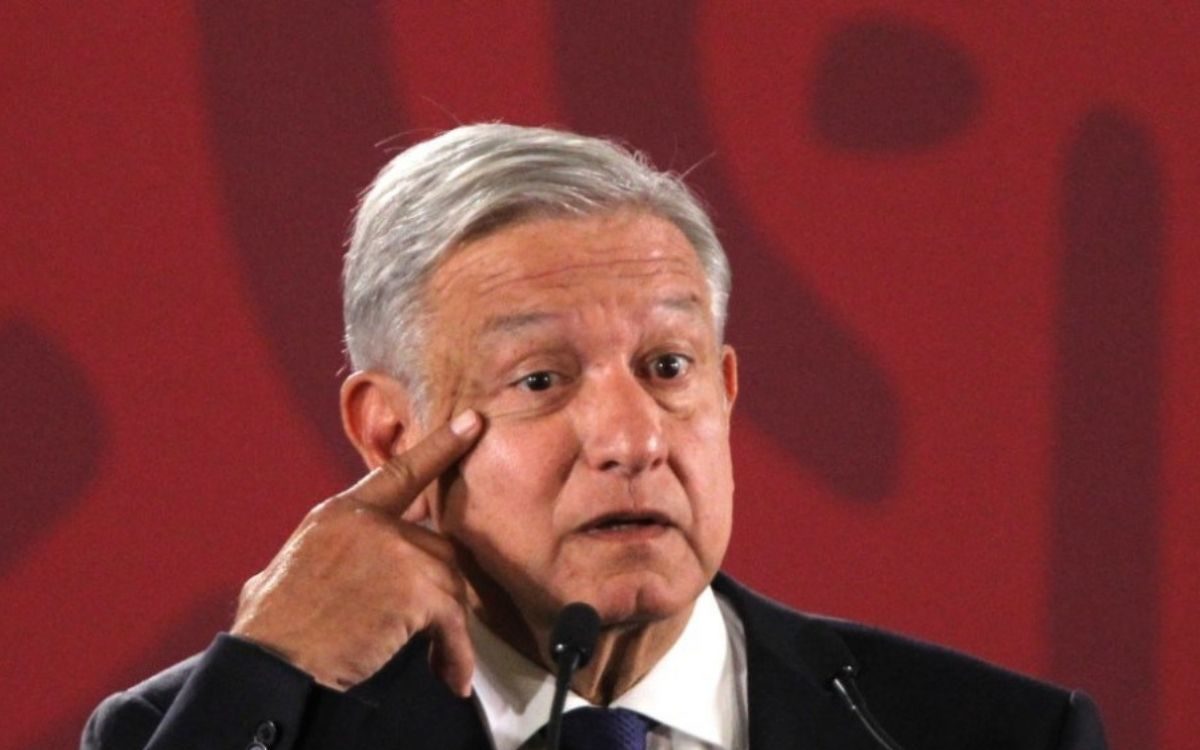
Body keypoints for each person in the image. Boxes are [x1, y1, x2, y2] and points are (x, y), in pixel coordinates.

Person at [83, 124, 1107, 750]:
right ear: (392, 433)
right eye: (541, 380)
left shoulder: (989, 734)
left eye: (668, 368)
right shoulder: (215, 729)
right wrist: (268, 666)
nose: (632, 440)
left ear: (725, 392)